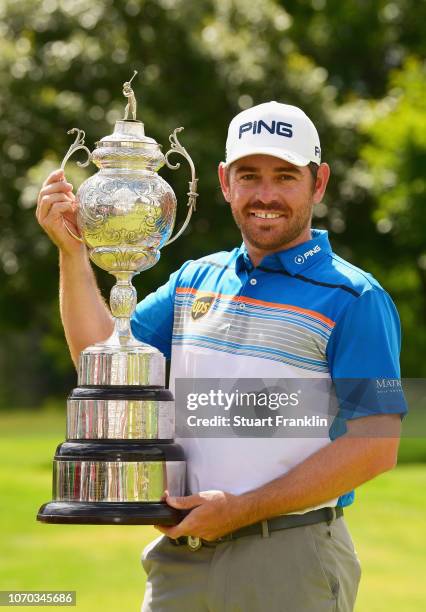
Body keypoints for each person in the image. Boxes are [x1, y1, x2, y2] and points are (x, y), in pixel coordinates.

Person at [36, 101, 407, 612]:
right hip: (183, 557)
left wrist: (240, 510)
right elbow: (102, 361)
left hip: (291, 560)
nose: (266, 195)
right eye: (249, 175)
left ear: (317, 184)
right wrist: (73, 252)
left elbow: (376, 444)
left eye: (285, 176)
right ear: (224, 182)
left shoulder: (355, 298)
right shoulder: (193, 281)